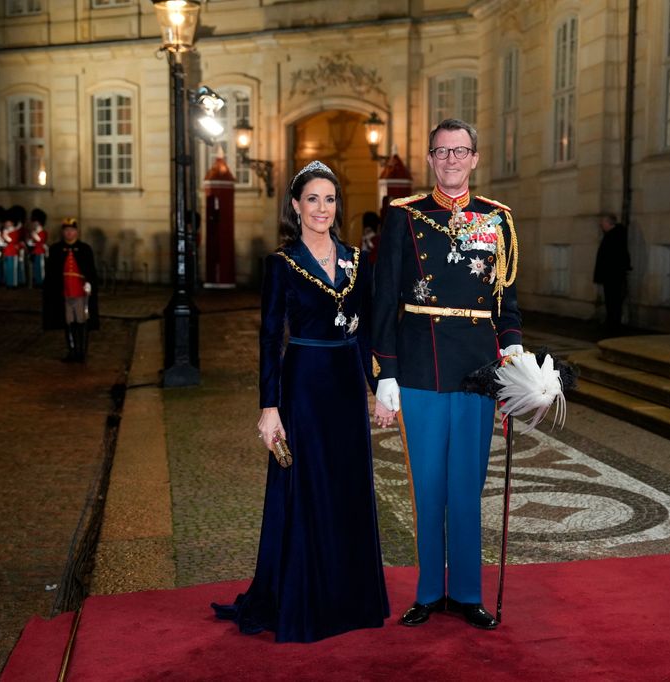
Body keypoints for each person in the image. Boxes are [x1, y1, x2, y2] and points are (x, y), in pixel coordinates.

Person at [211, 160, 389, 643]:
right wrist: (270, 406)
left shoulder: (356, 259)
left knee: (349, 488)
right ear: (295, 206)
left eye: (330, 199)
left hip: (348, 387)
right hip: (304, 387)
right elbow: (270, 339)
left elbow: (369, 327)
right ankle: (305, 598)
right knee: (306, 490)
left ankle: (351, 599)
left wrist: (381, 385)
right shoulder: (282, 264)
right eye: (312, 199)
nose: (322, 208)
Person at [372, 118, 522, 630]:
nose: (451, 160)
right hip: (420, 368)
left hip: (478, 372)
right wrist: (385, 373)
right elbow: (384, 297)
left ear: (475, 159)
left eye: (461, 152)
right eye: (442, 152)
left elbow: (506, 301)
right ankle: (429, 591)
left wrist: (516, 355)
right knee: (428, 485)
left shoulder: (496, 219)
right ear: (431, 158)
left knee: (467, 486)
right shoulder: (404, 217)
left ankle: (466, 592)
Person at [42, 218, 99, 362]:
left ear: (77, 232)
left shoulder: (85, 249)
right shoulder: (55, 249)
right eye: (66, 230)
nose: (69, 233)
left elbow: (91, 271)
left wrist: (89, 283)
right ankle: (72, 351)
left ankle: (82, 352)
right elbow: (51, 273)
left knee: (81, 321)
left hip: (80, 293)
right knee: (68, 323)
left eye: (72, 230)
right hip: (65, 293)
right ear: (63, 232)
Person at [593, 212, 631, 334]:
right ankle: (611, 324)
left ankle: (613, 326)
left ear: (609, 223)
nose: (601, 224)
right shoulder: (612, 235)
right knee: (611, 301)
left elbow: (614, 258)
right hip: (610, 275)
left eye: (603, 222)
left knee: (613, 301)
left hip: (613, 276)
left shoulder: (615, 236)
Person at [26, 208, 49, 287]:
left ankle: (41, 282)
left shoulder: (42, 232)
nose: (34, 224)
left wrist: (33, 235)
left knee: (40, 268)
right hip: (34, 252)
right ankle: (36, 281)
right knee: (35, 268)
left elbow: (40, 240)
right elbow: (32, 242)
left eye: (36, 222)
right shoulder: (34, 232)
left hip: (41, 252)